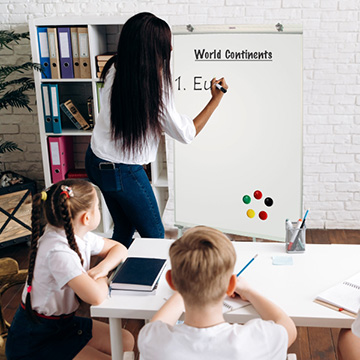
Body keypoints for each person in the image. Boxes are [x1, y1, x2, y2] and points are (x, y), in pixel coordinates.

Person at [85, 12, 228, 248]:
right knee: (154, 237)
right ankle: (147, 282)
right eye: (165, 43)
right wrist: (216, 98)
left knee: (123, 228)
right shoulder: (154, 85)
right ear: (153, 48)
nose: (170, 47)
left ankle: (109, 278)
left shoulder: (114, 67)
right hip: (123, 171)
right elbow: (186, 133)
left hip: (95, 160)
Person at [6, 179, 134, 360]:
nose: (99, 210)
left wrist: (101, 269)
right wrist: (102, 278)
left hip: (63, 324)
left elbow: (120, 248)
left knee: (125, 340)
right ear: (86, 218)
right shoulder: (58, 251)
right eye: (97, 206)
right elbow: (96, 297)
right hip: (36, 339)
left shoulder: (78, 235)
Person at [138, 226, 297, 360]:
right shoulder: (255, 342)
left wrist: (186, 283)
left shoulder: (152, 341)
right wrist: (248, 291)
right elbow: (287, 326)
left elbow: (156, 324)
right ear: (231, 285)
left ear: (171, 281)